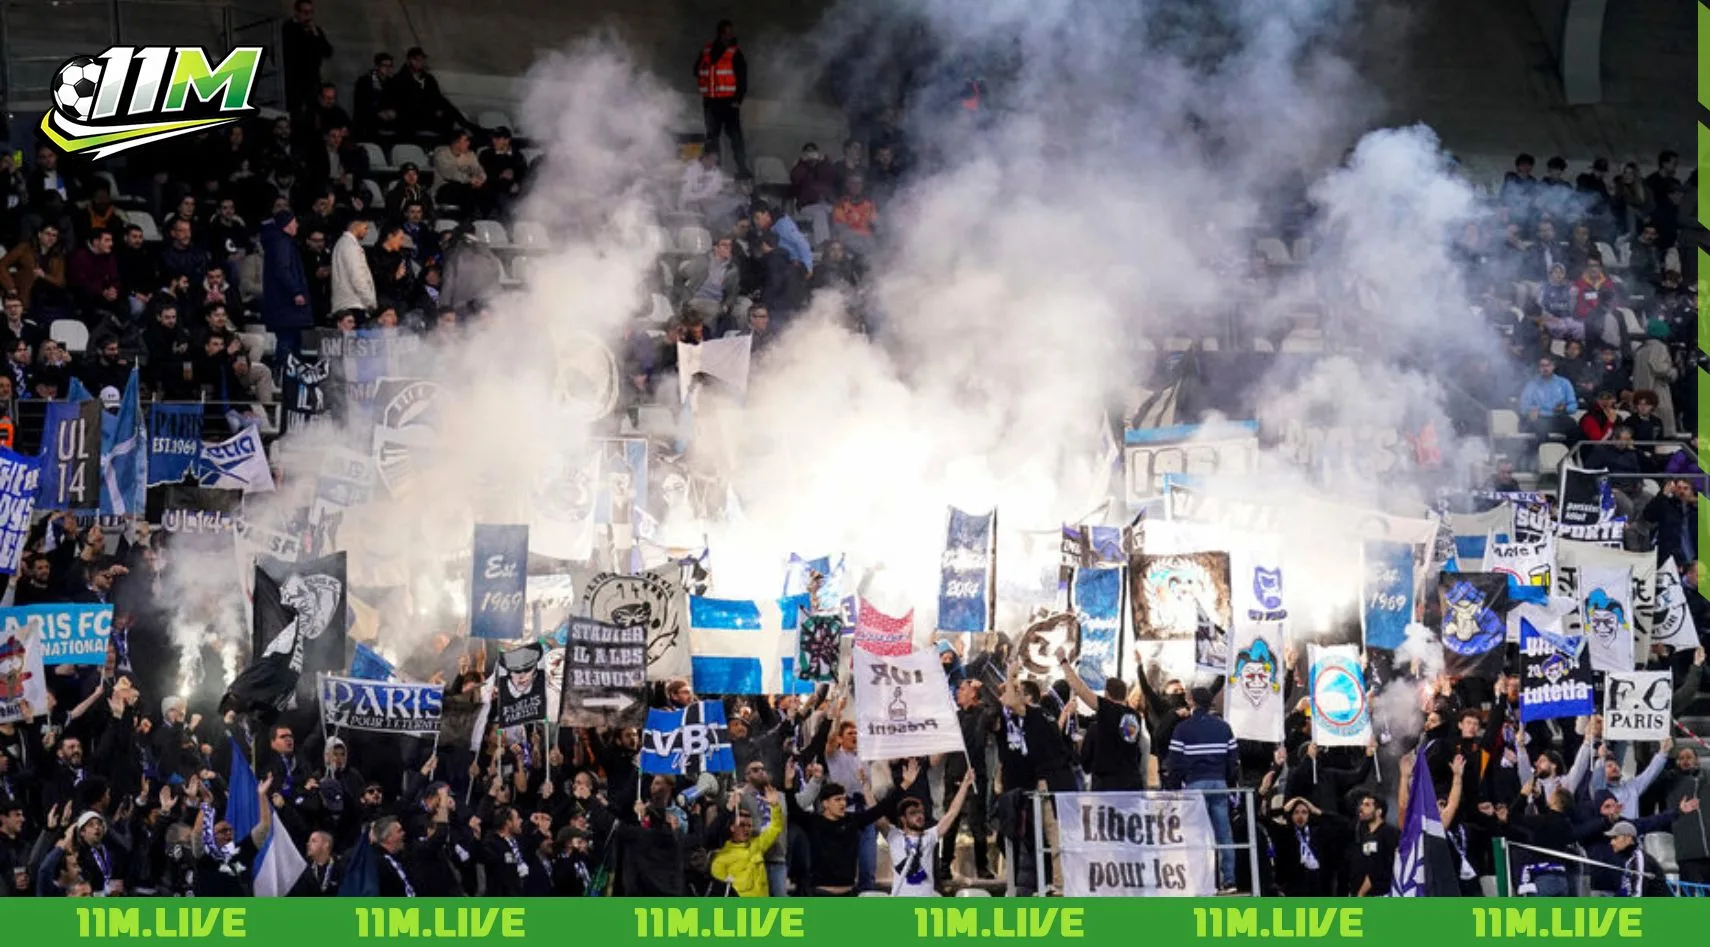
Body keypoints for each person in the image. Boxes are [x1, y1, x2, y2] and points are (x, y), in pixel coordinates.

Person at [1166, 686, 1239, 893]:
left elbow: (1175, 763)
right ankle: (1229, 880)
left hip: (1194, 785)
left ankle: (1201, 882)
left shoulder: (1182, 729)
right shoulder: (1224, 727)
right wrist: (1225, 778)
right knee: (1224, 833)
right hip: (1218, 783)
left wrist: (1174, 788)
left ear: (1192, 702)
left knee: (1196, 836)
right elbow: (1233, 760)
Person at [881, 762, 974, 897]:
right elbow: (877, 814)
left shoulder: (929, 836)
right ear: (903, 819)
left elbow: (952, 812)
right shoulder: (894, 836)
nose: (919, 816)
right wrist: (866, 788)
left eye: (921, 813)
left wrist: (965, 785)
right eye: (913, 813)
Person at [707, 786, 784, 897]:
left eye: (749, 826)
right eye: (742, 825)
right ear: (732, 827)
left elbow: (775, 828)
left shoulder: (757, 845)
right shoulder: (720, 860)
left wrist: (774, 806)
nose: (747, 829)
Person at [695, 20, 749, 176]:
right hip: (711, 103)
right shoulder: (706, 51)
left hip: (729, 103)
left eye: (730, 33)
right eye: (726, 33)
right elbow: (696, 71)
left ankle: (742, 169)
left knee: (735, 138)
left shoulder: (735, 53)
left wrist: (737, 100)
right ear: (719, 34)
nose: (728, 36)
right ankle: (714, 170)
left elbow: (742, 79)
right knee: (712, 138)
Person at [258, 210, 312, 356]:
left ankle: (288, 374)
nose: (297, 225)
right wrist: (296, 291)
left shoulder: (278, 242)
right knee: (288, 343)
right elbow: (283, 269)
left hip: (281, 307)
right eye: (294, 222)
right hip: (287, 306)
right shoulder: (282, 243)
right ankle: (284, 374)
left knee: (291, 341)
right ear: (287, 224)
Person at [280, 0, 333, 117]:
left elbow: (328, 52)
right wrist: (305, 32)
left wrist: (316, 34)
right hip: (295, 79)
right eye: (305, 12)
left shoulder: (315, 30)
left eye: (311, 12)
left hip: (313, 78)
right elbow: (292, 50)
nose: (308, 16)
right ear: (297, 12)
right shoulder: (288, 28)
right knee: (296, 111)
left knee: (313, 111)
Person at [1631, 320, 1678, 437]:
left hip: (1640, 392)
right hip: (1657, 391)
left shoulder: (1641, 349)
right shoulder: (1659, 347)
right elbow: (1660, 368)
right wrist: (1673, 371)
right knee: (1662, 428)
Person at [330, 218, 375, 315]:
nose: (367, 232)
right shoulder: (350, 246)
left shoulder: (343, 243)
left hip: (348, 302)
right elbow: (357, 277)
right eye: (365, 228)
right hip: (353, 303)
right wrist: (370, 301)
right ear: (356, 226)